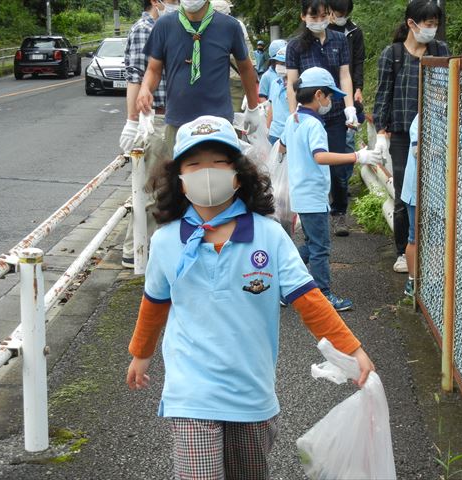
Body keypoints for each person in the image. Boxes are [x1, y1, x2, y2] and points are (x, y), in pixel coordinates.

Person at [125, 114, 376, 479]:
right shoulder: (165, 241)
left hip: (251, 392)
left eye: (218, 163)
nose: (205, 172)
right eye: (194, 164)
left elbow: (310, 301)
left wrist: (351, 350)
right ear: (178, 180)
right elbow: (154, 304)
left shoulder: (269, 236)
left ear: (238, 174)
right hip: (190, 391)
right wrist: (141, 355)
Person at [280, 67, 383, 311]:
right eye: (328, 96)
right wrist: (357, 156)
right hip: (313, 195)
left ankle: (284, 285)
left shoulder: (292, 119)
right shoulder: (314, 124)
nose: (330, 102)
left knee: (312, 244)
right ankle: (322, 295)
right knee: (321, 247)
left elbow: (283, 147)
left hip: (299, 192)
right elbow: (320, 156)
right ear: (318, 95)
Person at [373, 0, 449, 273]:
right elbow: (383, 95)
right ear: (411, 24)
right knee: (406, 196)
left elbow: (449, 88)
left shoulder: (440, 51)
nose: (432, 30)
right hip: (405, 135)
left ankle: (432, 250)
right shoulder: (393, 55)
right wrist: (381, 132)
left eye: (435, 25)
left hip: (437, 133)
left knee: (437, 194)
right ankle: (404, 250)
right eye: (428, 25)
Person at [136, 0, 263, 153]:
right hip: (178, 121)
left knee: (219, 173)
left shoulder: (229, 26)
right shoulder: (164, 25)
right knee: (179, 175)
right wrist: (145, 89)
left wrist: (252, 107)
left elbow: (246, 69)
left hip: (219, 123)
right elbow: (154, 69)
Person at [286, 0, 358, 238]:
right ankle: (310, 215)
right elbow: (292, 82)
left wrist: (349, 108)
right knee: (311, 164)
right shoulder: (296, 46)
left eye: (322, 16)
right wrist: (293, 115)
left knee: (338, 167)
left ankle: (338, 213)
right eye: (313, 17)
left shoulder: (339, 40)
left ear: (329, 15)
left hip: (335, 111)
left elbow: (344, 75)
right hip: (308, 115)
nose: (318, 22)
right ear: (302, 17)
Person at [119, 0, 180, 269]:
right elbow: (135, 77)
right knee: (150, 189)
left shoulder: (170, 27)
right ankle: (135, 250)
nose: (177, 4)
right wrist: (132, 121)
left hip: (168, 118)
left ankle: (146, 248)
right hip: (153, 118)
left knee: (163, 187)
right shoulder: (145, 29)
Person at [328, 0, 365, 165]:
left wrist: (358, 88)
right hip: (326, 90)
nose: (341, 18)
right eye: (338, 14)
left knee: (348, 138)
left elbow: (358, 62)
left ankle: (344, 180)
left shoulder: (354, 31)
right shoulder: (322, 30)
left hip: (347, 91)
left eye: (345, 15)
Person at [401, 114, 419, 297]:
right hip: (416, 190)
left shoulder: (454, 115)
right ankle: (412, 280)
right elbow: (417, 151)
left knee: (436, 238)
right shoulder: (421, 118)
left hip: (439, 191)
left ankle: (431, 280)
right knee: (414, 237)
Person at [266, 46, 289, 145]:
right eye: (277, 63)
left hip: (289, 133)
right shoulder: (275, 83)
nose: (279, 66)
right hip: (274, 133)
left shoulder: (298, 85)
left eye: (283, 63)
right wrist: (267, 128)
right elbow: (271, 107)